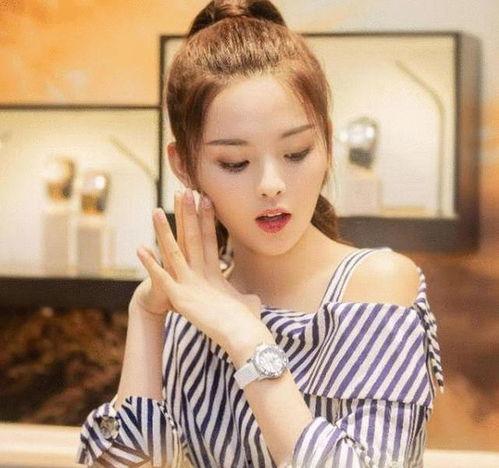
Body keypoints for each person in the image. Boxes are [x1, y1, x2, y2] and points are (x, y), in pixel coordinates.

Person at [75, 1, 445, 467]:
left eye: (296, 152)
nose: (271, 184)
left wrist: (246, 338)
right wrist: (146, 314)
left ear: (327, 144)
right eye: (235, 163)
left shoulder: (377, 284)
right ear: (184, 165)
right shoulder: (187, 307)